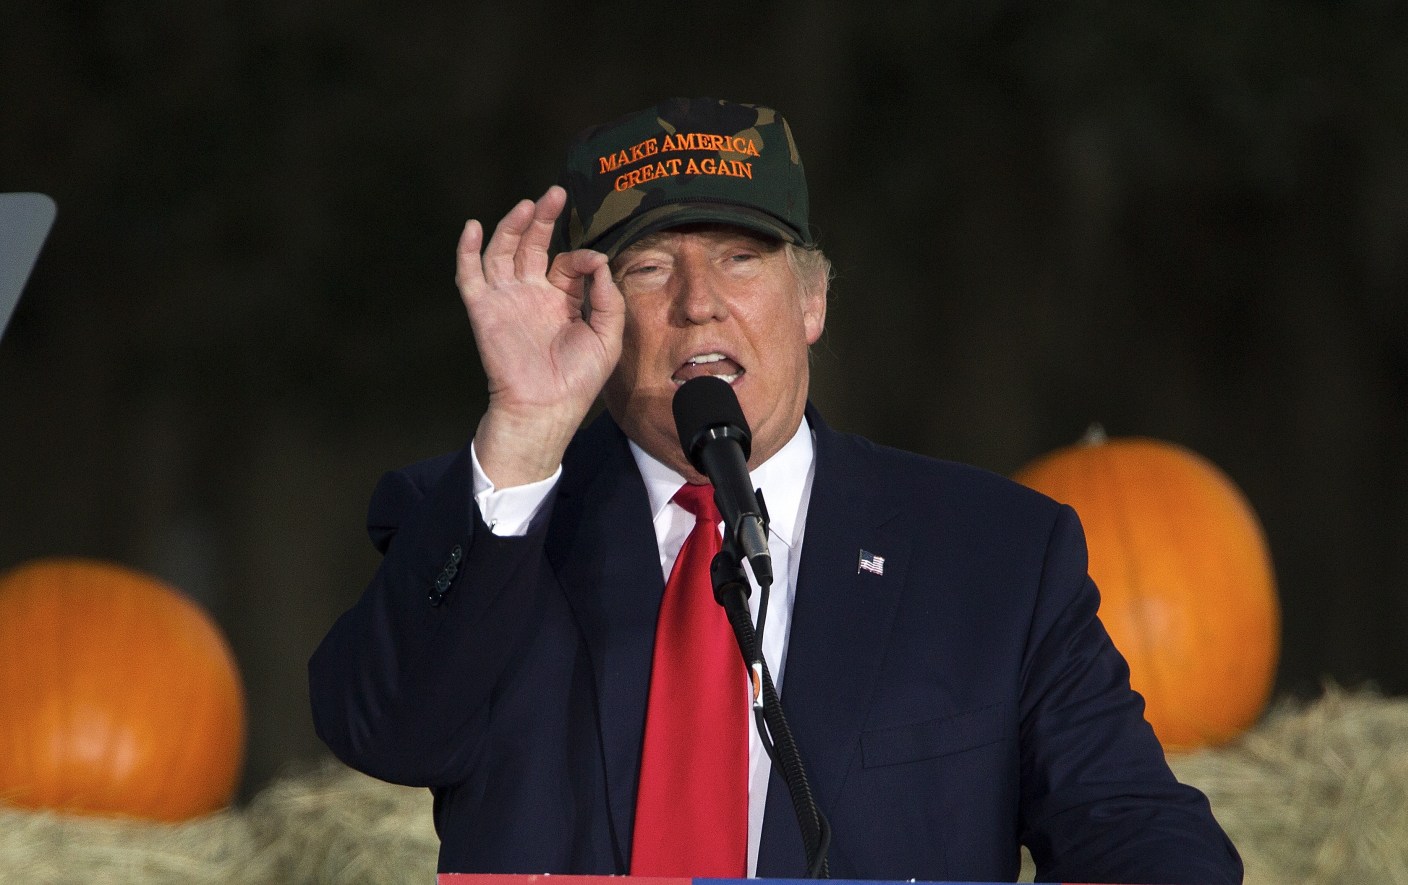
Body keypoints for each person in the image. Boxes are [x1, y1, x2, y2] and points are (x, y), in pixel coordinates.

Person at [309, 97, 1242, 884]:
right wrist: (521, 434)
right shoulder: (493, 520)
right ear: (590, 310)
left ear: (813, 301)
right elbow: (386, 732)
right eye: (648, 266)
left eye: (740, 257)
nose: (698, 300)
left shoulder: (994, 556)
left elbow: (1130, 826)